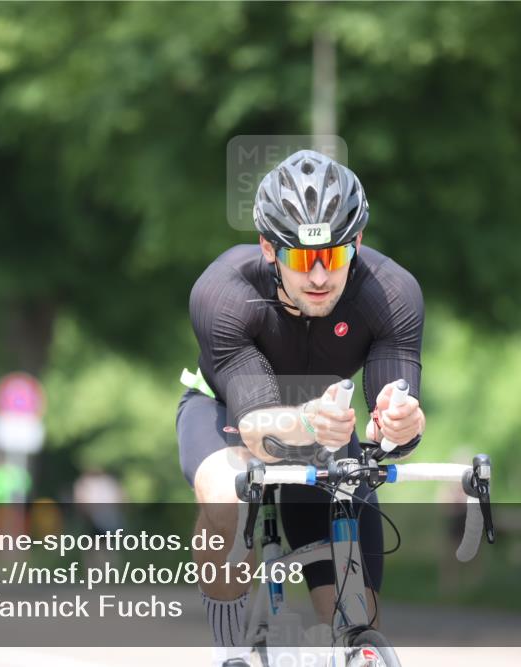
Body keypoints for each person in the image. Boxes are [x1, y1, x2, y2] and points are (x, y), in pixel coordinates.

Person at [177, 149, 426, 665]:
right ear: (269, 249)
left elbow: (391, 425)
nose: (318, 277)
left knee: (354, 615)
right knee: (229, 498)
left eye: (333, 257)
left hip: (326, 427)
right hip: (226, 410)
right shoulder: (223, 292)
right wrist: (307, 420)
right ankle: (228, 651)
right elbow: (255, 428)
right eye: (300, 258)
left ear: (356, 244)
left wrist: (401, 424)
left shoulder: (393, 294)